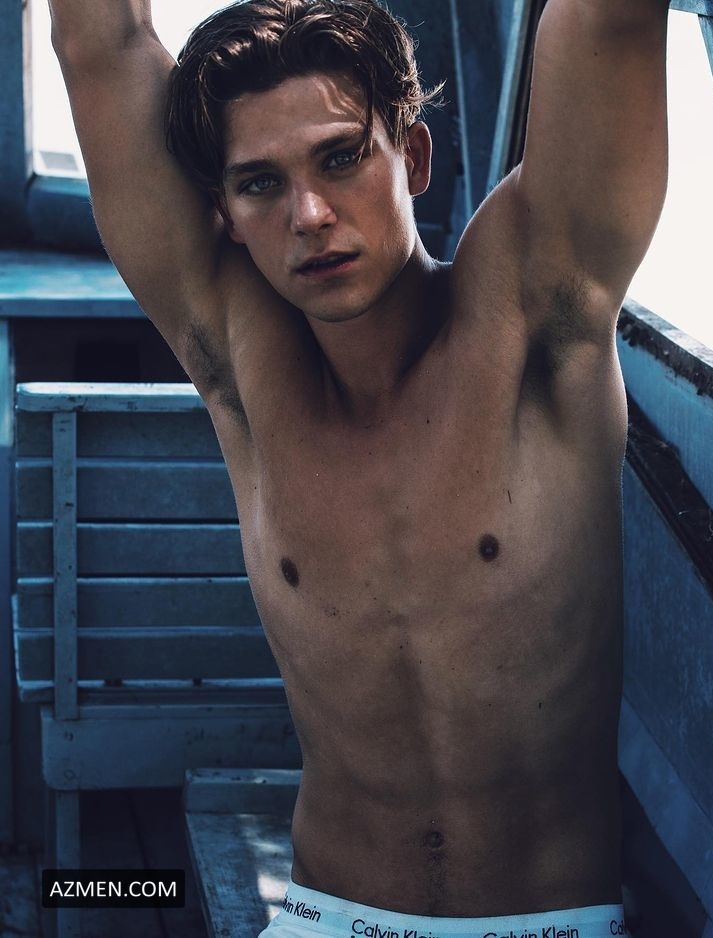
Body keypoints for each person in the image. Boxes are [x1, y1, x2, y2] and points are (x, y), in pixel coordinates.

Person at [48, 0, 670, 934]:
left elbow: (610, 22)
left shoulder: (535, 321)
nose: (308, 215)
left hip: (547, 919)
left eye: (341, 157)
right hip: (327, 914)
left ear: (411, 157)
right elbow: (100, 41)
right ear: (223, 212)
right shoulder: (243, 365)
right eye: (261, 184)